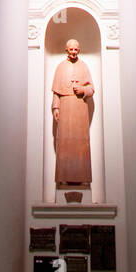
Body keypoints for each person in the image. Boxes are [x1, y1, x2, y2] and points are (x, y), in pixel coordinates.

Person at [51, 39, 94, 185]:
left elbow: (91, 89)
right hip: (65, 106)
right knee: (64, 143)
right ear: (66, 50)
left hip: (80, 107)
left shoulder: (84, 67)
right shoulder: (60, 67)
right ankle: (63, 179)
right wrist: (56, 107)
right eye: (71, 50)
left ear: (79, 50)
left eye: (76, 49)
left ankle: (83, 179)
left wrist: (83, 90)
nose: (74, 52)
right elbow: (56, 92)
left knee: (81, 143)